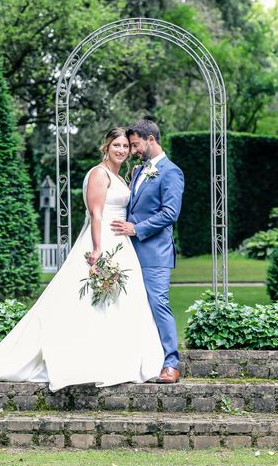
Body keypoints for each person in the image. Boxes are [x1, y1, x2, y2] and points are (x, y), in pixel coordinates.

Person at [0, 127, 164, 391]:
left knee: (121, 302)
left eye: (126, 146)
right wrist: (97, 249)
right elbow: (96, 215)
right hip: (103, 240)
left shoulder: (122, 177)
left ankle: (119, 356)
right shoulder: (99, 173)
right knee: (90, 301)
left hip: (122, 244)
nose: (122, 150)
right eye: (116, 145)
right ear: (106, 147)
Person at [111, 119, 184, 384]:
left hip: (155, 254)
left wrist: (136, 228)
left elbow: (170, 213)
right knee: (133, 307)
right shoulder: (139, 171)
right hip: (129, 252)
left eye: (135, 145)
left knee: (158, 304)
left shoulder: (171, 172)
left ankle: (171, 364)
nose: (132, 151)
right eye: (130, 146)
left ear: (151, 140)